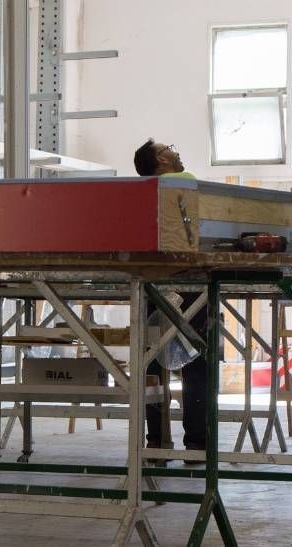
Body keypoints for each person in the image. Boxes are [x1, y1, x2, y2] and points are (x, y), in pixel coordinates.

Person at [133, 139, 206, 456]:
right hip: (188, 281)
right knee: (197, 360)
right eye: (171, 148)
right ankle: (197, 441)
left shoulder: (142, 192)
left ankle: (157, 441)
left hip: (153, 281)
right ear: (161, 160)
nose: (177, 151)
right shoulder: (183, 181)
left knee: (153, 360)